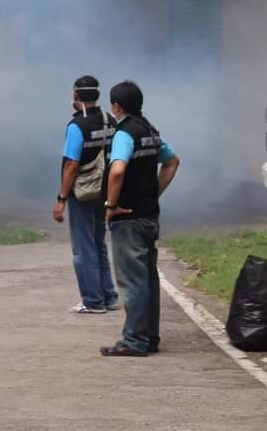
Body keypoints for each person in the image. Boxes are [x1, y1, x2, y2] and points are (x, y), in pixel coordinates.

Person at [101, 80, 180, 357]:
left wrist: (111, 205)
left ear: (117, 107)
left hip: (129, 218)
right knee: (148, 279)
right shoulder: (150, 131)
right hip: (149, 216)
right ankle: (149, 337)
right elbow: (172, 162)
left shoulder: (124, 133)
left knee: (132, 281)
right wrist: (153, 193)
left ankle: (134, 341)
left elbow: (117, 171)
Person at [53, 76, 119, 314]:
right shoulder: (110, 120)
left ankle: (93, 300)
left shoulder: (76, 126)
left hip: (82, 194)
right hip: (104, 191)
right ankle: (109, 296)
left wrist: (61, 199)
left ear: (76, 96)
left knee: (83, 248)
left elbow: (71, 165)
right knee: (99, 243)